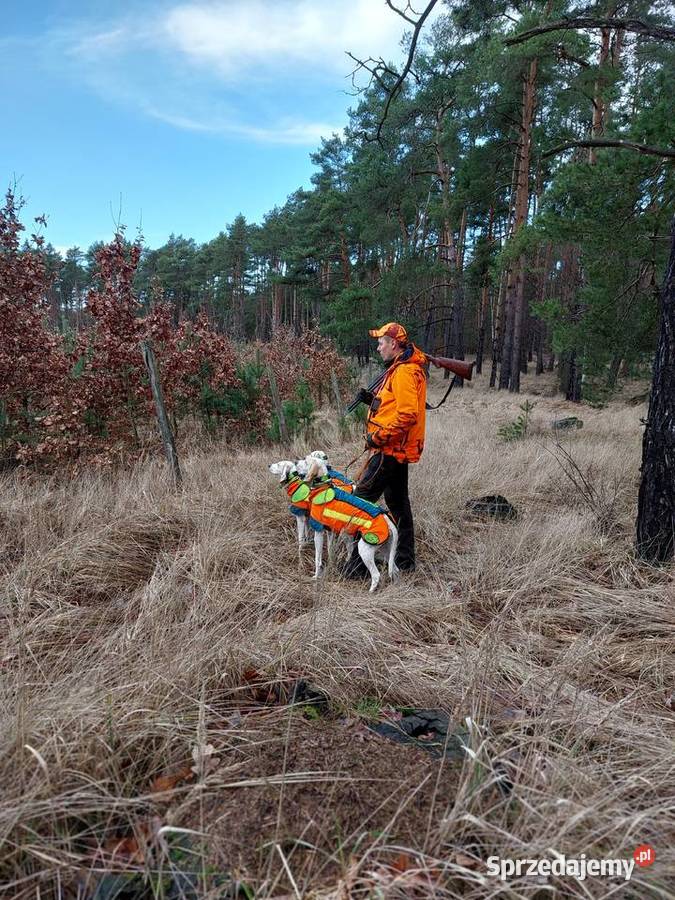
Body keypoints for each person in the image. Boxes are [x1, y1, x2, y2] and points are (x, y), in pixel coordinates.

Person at [344, 322, 427, 576]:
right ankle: (404, 563)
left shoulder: (403, 372)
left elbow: (407, 416)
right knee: (399, 506)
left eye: (381, 342)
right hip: (396, 451)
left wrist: (377, 438)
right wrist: (372, 400)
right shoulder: (401, 368)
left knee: (359, 503)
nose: (378, 347)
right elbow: (394, 406)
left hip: (389, 451)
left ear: (393, 343)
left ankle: (357, 568)